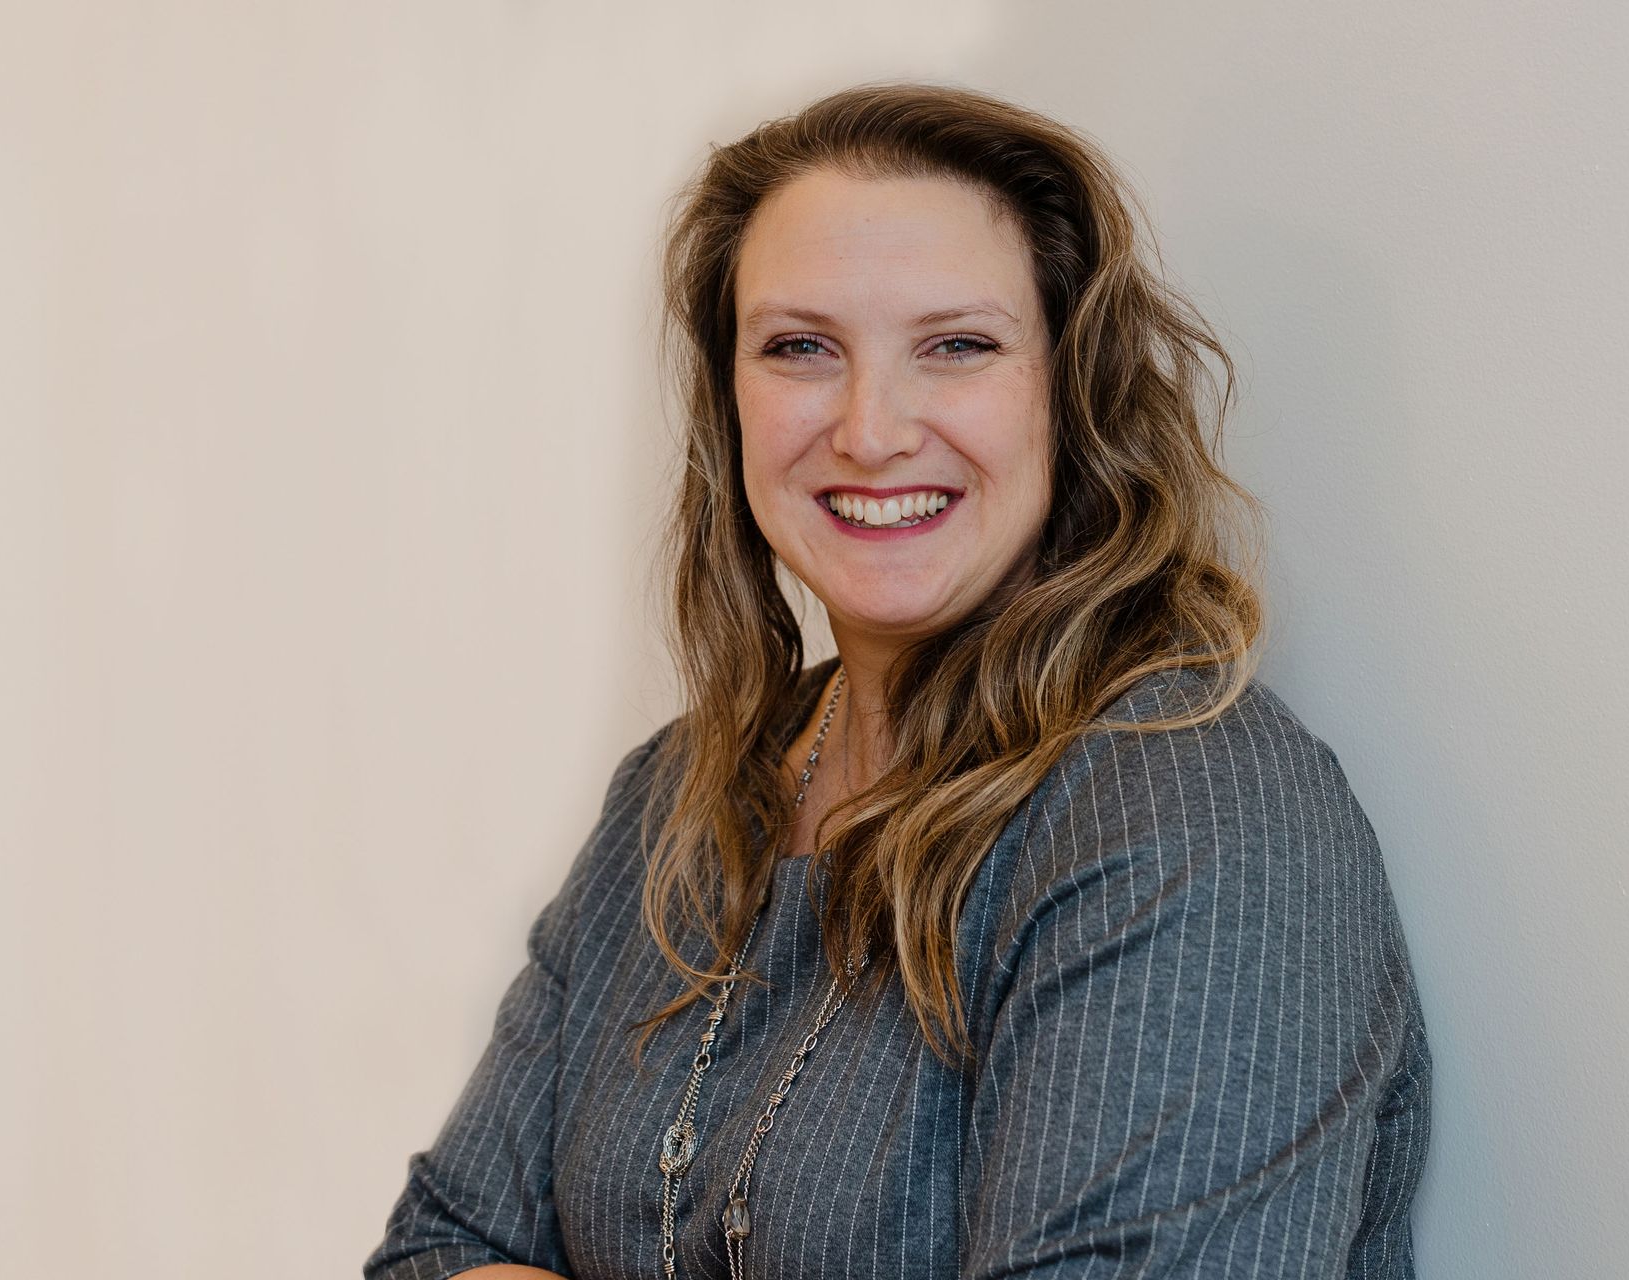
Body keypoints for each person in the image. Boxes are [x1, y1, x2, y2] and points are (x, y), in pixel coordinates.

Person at [364, 81, 1431, 1280]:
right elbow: (435, 1250)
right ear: (729, 401)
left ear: (1068, 394)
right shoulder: (674, 796)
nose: (871, 429)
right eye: (799, 348)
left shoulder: (1193, 814)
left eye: (958, 345)